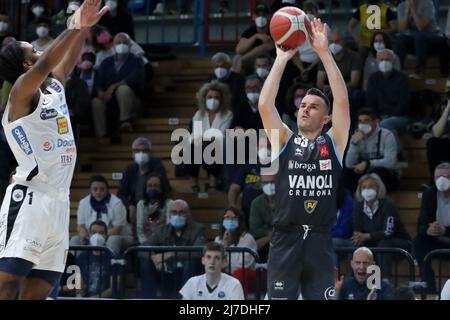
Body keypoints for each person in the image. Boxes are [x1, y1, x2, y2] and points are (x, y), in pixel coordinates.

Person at [0, 0, 108, 300]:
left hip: (60, 200)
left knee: (39, 288)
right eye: (33, 50)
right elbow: (47, 62)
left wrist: (83, 28)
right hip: (31, 196)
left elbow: (65, 62)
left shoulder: (53, 87)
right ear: (26, 65)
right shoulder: (21, 93)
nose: (39, 50)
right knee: (7, 282)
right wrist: (72, 26)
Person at [258, 18, 350, 300]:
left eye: (314, 107)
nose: (305, 109)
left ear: (326, 118)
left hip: (320, 239)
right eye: (303, 105)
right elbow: (264, 104)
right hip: (286, 237)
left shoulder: (333, 141)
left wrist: (324, 53)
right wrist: (281, 58)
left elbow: (343, 100)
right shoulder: (285, 139)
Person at [351, 173, 412, 280]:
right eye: (364, 187)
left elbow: (388, 232)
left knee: (383, 245)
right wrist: (358, 238)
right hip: (374, 242)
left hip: (398, 242)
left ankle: (384, 281)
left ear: (378, 188)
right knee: (355, 244)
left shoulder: (388, 204)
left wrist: (367, 236)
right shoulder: (358, 206)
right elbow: (357, 230)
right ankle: (355, 281)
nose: (367, 190)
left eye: (371, 186)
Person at [413, 162, 450, 294]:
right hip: (435, 239)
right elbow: (421, 224)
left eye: (445, 176)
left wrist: (446, 230)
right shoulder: (429, 194)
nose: (441, 180)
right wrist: (428, 230)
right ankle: (428, 287)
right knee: (419, 241)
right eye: (438, 177)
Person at [179, 242, 245, 300]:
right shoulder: (192, 283)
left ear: (224, 262)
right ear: (203, 260)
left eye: (217, 258)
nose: (212, 262)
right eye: (208, 257)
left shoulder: (234, 285)